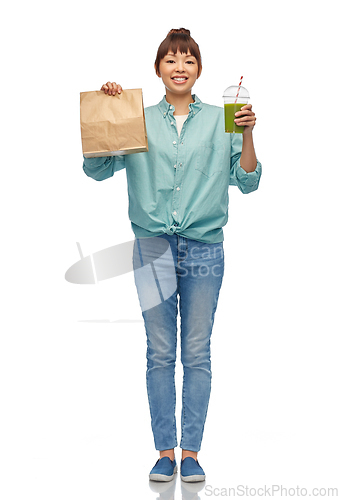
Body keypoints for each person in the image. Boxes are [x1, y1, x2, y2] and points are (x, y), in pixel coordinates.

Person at [82, 28, 262, 483]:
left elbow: (247, 181)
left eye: (187, 60)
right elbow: (96, 169)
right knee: (160, 353)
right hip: (153, 248)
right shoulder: (137, 118)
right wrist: (110, 110)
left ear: (198, 70)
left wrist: (247, 134)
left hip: (204, 247)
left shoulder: (222, 118)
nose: (179, 67)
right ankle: (165, 452)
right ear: (159, 69)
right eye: (171, 59)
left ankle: (192, 453)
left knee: (196, 353)